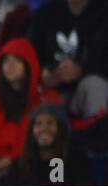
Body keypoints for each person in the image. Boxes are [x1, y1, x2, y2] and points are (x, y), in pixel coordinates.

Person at [0, 38, 60, 186]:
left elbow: (51, 140)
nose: (9, 66)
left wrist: (12, 161)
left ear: (29, 65)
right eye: (6, 60)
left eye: (17, 61)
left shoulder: (48, 99)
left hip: (31, 166)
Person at [28, 0, 108, 134]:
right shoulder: (45, 13)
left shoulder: (104, 12)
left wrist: (82, 71)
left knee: (95, 85)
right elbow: (27, 53)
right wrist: (43, 72)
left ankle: (95, 148)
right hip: (51, 92)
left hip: (88, 90)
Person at [0, 102, 92, 186]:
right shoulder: (21, 164)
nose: (44, 128)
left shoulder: (76, 159)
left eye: (50, 123)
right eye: (38, 124)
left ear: (61, 128)